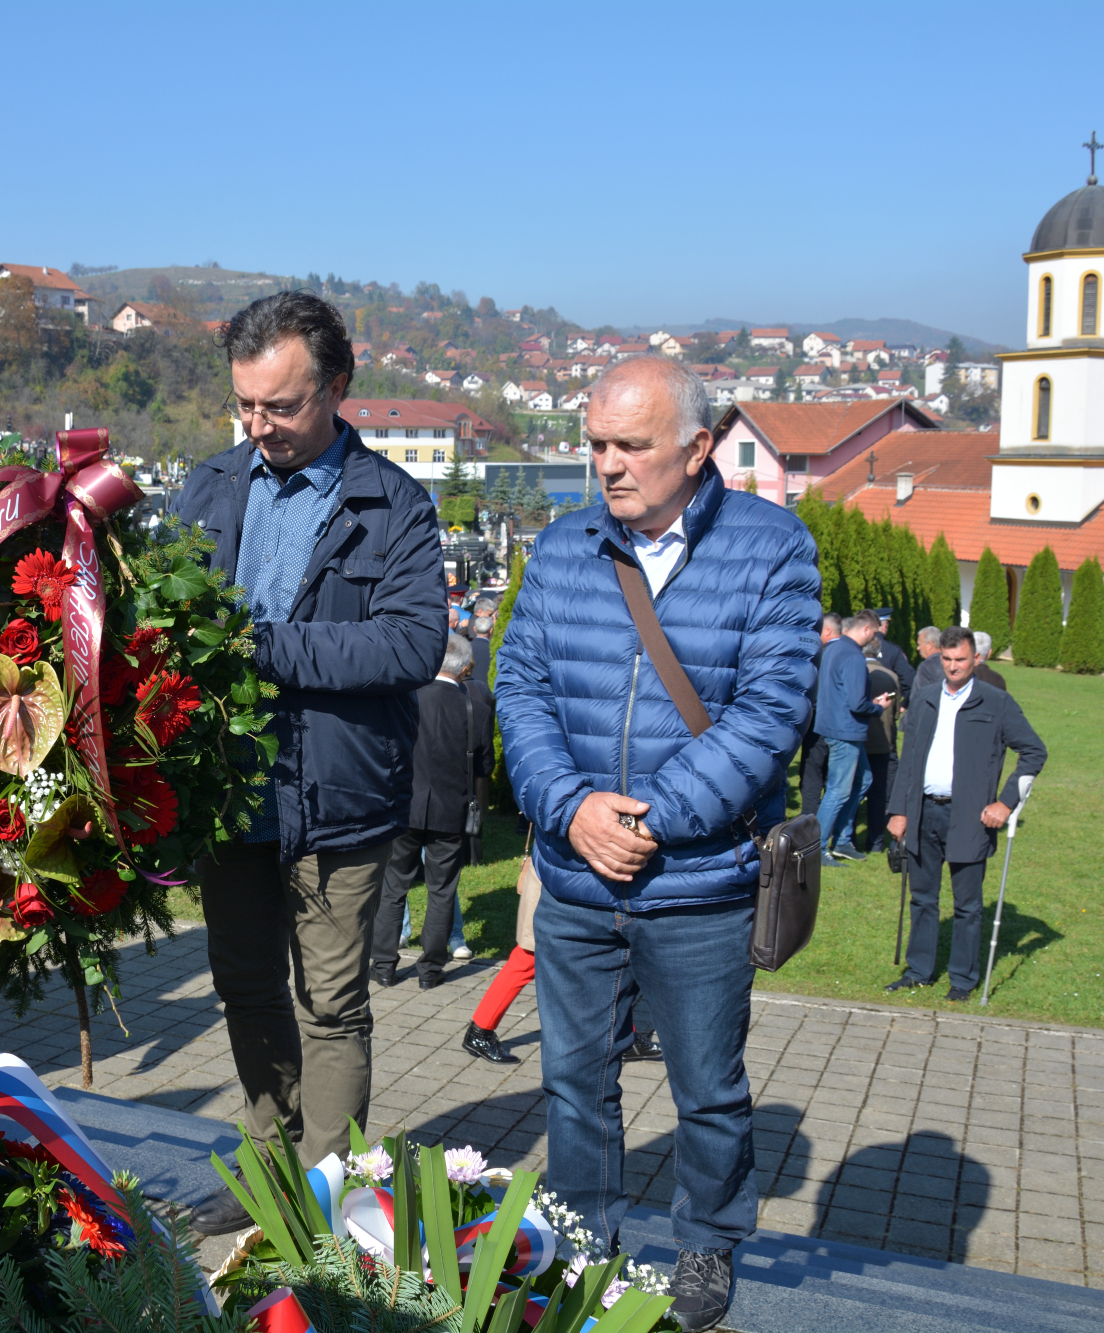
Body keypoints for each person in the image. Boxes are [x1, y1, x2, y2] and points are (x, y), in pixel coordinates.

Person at [495, 356, 820, 1332]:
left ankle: (705, 1247)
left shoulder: (770, 548)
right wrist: (569, 809)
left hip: (698, 887)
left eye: (628, 446)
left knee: (708, 1091)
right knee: (573, 1083)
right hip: (576, 877)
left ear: (695, 446)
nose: (606, 464)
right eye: (594, 443)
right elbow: (519, 690)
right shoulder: (560, 550)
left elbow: (768, 714)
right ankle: (582, 1242)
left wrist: (651, 819)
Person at [176, 291, 445, 1235]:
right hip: (228, 797)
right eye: (246, 405)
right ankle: (267, 1164)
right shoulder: (208, 484)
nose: (261, 426)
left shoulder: (394, 504)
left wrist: (267, 649)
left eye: (281, 406)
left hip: (339, 800)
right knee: (244, 986)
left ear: (337, 387)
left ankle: (325, 1197)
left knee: (331, 1006)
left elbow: (411, 646)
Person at [885, 627, 1048, 1002]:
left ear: (976, 659)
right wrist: (898, 810)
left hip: (970, 818)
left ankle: (963, 979)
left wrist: (1005, 803)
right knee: (922, 898)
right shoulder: (925, 698)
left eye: (960, 659)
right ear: (938, 658)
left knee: (967, 905)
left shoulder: (996, 702)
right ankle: (919, 971)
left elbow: (1034, 751)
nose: (953, 667)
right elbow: (908, 760)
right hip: (923, 812)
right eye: (946, 659)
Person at [372, 633, 494, 989]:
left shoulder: (407, 698)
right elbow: (485, 767)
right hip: (449, 809)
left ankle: (383, 966)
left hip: (405, 807)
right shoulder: (478, 709)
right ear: (465, 668)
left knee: (394, 887)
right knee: (442, 891)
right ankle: (430, 970)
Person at [814, 611, 894, 864]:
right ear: (868, 629)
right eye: (876, 631)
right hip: (845, 732)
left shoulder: (833, 650)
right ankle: (815, 848)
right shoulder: (853, 656)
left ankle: (842, 840)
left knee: (864, 779)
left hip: (836, 727)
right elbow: (857, 703)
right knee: (837, 790)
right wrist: (879, 707)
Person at [861, 635, 902, 854]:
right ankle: (876, 841)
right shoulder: (892, 677)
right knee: (879, 794)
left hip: (861, 741)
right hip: (883, 743)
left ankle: (844, 838)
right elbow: (895, 713)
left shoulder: (857, 673)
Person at [797, 613, 842, 812]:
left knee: (812, 776)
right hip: (839, 725)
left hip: (817, 723)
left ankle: (809, 822)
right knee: (830, 777)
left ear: (827, 631)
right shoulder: (849, 652)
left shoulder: (820, 654)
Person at [870, 608, 916, 705]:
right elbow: (909, 680)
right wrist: (900, 701)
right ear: (885, 625)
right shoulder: (893, 650)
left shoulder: (857, 646)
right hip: (886, 705)